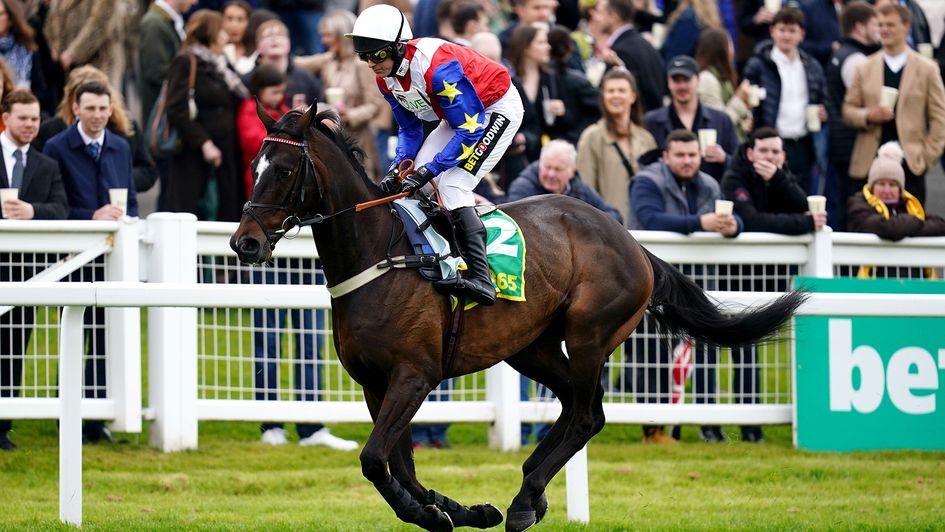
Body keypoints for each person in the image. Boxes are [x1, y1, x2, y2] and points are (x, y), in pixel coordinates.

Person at [348, 3, 525, 305]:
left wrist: (430, 169)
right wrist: (398, 167)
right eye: (364, 55)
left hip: (495, 109)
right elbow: (410, 130)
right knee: (417, 179)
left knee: (452, 184)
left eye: (377, 54)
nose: (371, 63)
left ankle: (482, 279)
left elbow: (471, 130)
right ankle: (443, 255)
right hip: (457, 118)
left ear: (398, 47)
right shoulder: (385, 78)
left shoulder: (438, 69)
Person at [628, 129, 740, 444]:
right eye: (680, 155)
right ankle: (654, 429)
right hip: (652, 283)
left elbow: (729, 220)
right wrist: (699, 224)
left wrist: (734, 226)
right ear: (666, 156)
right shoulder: (646, 182)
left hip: (698, 282)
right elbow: (649, 220)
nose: (687, 161)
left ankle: (709, 425)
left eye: (692, 155)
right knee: (651, 354)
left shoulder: (711, 184)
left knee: (706, 351)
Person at [43, 80, 136, 445]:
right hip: (73, 256)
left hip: (112, 256)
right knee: (73, 334)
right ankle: (67, 417)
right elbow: (56, 203)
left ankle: (95, 423)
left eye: (103, 108)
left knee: (104, 338)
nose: (98, 115)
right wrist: (91, 215)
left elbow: (128, 200)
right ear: (76, 109)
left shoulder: (119, 146)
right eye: (91, 108)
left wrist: (122, 217)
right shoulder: (56, 147)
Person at [0, 89, 69, 450]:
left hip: (27, 272)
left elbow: (60, 208)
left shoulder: (46, 165)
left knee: (14, 348)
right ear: (6, 117)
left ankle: (2, 426)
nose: (30, 125)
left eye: (34, 118)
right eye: (23, 118)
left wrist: (32, 212)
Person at [842, 3, 945, 206]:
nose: (884, 30)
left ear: (907, 26)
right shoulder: (865, 66)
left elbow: (939, 118)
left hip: (911, 164)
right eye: (880, 25)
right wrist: (869, 115)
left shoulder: (927, 69)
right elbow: (848, 110)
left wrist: (926, 157)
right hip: (869, 162)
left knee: (910, 227)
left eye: (890, 24)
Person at [166, 9, 248, 222]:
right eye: (221, 30)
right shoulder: (186, 61)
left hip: (227, 151)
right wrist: (204, 143)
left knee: (227, 212)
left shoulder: (221, 63)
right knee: (191, 214)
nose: (226, 35)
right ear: (210, 32)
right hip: (194, 154)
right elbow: (176, 108)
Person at [742, 7, 829, 195]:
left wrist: (824, 113)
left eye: (792, 31)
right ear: (772, 31)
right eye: (782, 30)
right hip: (769, 145)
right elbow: (748, 103)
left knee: (801, 198)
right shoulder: (758, 65)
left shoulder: (812, 66)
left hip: (802, 145)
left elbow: (824, 100)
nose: (786, 36)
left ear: (802, 35)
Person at [34, 65, 158, 195]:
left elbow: (148, 171)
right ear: (74, 103)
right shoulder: (51, 133)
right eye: (89, 105)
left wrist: (117, 181)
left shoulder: (126, 130)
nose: (96, 114)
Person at [295, 9, 386, 179]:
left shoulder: (361, 64)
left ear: (341, 36)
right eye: (322, 35)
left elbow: (375, 105)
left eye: (328, 35)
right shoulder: (329, 59)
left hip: (357, 138)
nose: (323, 40)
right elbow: (298, 64)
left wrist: (350, 115)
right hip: (331, 138)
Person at [576, 68, 657, 224]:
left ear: (632, 96)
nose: (615, 95)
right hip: (608, 231)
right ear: (603, 96)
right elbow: (584, 192)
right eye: (610, 91)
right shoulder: (591, 137)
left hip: (644, 229)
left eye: (621, 90)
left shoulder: (646, 138)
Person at [827, 1, 881, 230]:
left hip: (841, 142)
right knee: (853, 207)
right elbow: (865, 103)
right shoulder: (857, 60)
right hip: (851, 144)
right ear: (860, 27)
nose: (880, 30)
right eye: (875, 24)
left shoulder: (844, 53)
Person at [645, 55, 739, 182]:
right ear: (668, 82)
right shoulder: (652, 121)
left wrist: (724, 158)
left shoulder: (721, 120)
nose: (682, 86)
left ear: (698, 80)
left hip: (711, 196)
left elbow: (740, 165)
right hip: (667, 196)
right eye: (676, 80)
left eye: (687, 79)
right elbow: (645, 166)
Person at [722, 126, 827, 234]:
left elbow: (803, 207)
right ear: (750, 154)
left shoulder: (783, 175)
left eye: (775, 152)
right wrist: (806, 222)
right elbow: (751, 221)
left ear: (783, 156)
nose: (769, 157)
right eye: (763, 151)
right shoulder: (735, 178)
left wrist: (778, 179)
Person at [504, 139, 623, 224]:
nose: (551, 174)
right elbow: (518, 223)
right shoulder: (522, 188)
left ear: (572, 171)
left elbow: (613, 215)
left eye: (558, 169)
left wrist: (588, 221)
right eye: (547, 167)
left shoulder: (579, 188)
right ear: (540, 164)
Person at [847, 141, 945, 242]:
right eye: (881, 184)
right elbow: (889, 229)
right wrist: (916, 222)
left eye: (892, 185)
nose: (887, 190)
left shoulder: (907, 205)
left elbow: (940, 225)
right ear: (872, 187)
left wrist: (908, 226)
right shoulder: (858, 205)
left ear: (900, 190)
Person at [43, 0, 130, 92]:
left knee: (100, 99)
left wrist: (73, 53)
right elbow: (55, 16)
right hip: (70, 65)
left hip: (100, 59)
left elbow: (100, 23)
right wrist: (55, 46)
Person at [597, 0, 666, 113]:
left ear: (614, 17)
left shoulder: (621, 51)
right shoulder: (646, 45)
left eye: (600, 12)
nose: (596, 17)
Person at [138, 0, 196, 127]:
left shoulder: (170, 20)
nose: (195, 2)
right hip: (161, 118)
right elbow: (157, 71)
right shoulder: (154, 23)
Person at [695, 27, 753, 142]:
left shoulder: (722, 79)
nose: (733, 50)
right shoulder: (707, 80)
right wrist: (739, 99)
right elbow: (718, 123)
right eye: (730, 45)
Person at [253, 19, 323, 109]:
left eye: (280, 35)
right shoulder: (249, 80)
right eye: (268, 36)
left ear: (289, 43)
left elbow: (321, 109)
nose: (274, 39)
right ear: (258, 45)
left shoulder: (306, 78)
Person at [0, 0, 48, 109]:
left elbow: (42, 91)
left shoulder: (27, 49)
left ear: (10, 18)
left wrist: (28, 94)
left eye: (0, 14)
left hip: (24, 108)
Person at [222, 0, 257, 75]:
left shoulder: (257, 52)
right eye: (229, 18)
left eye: (240, 19)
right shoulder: (213, 52)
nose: (234, 25)